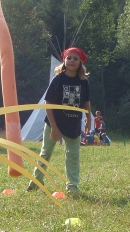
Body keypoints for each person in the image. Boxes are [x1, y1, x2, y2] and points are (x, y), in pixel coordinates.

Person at [27, 47, 91, 193]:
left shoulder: (83, 82)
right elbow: (48, 103)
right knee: (45, 153)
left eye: (75, 59)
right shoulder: (58, 80)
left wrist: (88, 118)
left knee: (73, 155)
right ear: (64, 60)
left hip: (73, 124)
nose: (72, 61)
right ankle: (35, 183)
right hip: (54, 123)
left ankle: (72, 186)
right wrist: (54, 127)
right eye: (69, 58)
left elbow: (86, 101)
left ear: (80, 62)